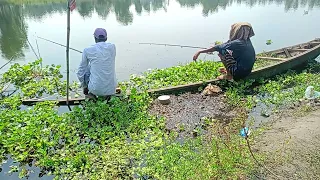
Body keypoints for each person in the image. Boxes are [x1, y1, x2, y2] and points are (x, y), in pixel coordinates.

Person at [77, 28, 117, 99]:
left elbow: (80, 72)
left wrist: (84, 86)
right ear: (106, 38)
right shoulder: (112, 47)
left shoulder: (87, 50)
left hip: (95, 89)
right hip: (112, 89)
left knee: (87, 68)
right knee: (99, 66)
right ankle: (108, 95)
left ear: (95, 38)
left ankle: (91, 93)